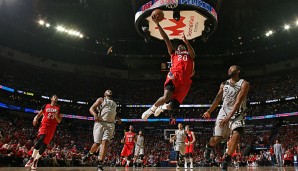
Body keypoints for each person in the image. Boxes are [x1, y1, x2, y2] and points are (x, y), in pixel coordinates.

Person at [141, 13, 195, 120]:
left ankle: (163, 107)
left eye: (182, 46)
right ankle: (151, 110)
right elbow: (166, 39)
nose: (180, 46)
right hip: (174, 74)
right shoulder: (173, 53)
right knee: (167, 97)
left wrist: (186, 42)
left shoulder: (189, 55)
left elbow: (193, 54)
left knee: (175, 106)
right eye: (179, 46)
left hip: (185, 80)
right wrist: (158, 24)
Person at [202, 65, 250, 171]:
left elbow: (238, 102)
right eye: (228, 68)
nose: (229, 70)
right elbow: (217, 98)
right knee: (216, 139)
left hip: (237, 114)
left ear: (238, 71)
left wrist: (229, 117)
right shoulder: (224, 84)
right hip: (223, 113)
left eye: (232, 68)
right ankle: (209, 146)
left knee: (236, 135)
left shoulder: (244, 84)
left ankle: (226, 161)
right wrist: (209, 111)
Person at [82, 90, 121, 171]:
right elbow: (91, 108)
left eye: (110, 91)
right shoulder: (101, 100)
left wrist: (117, 118)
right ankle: (90, 154)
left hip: (110, 124)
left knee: (105, 142)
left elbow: (112, 113)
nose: (109, 91)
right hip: (100, 123)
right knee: (97, 143)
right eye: (107, 91)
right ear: (104, 94)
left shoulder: (114, 103)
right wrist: (95, 114)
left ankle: (100, 164)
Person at [25, 94, 62, 170]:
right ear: (51, 98)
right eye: (54, 97)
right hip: (44, 125)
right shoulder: (46, 106)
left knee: (44, 145)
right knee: (41, 139)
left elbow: (59, 121)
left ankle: (36, 160)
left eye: (57, 97)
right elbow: (39, 114)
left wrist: (56, 116)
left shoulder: (59, 108)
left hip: (52, 128)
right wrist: (35, 118)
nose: (55, 98)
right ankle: (32, 158)